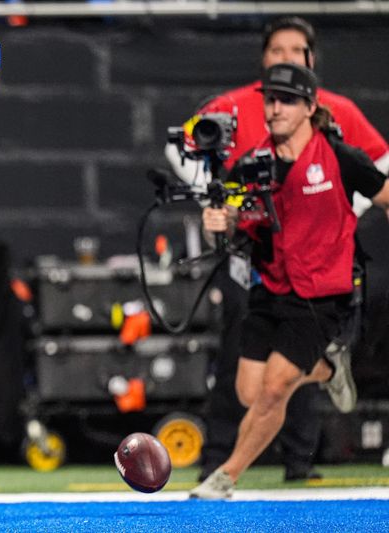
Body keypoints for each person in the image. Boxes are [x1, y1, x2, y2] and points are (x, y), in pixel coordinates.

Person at [166, 16, 389, 482]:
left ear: (309, 106)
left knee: (273, 388)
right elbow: (228, 215)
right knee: (250, 390)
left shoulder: (341, 155)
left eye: (286, 101)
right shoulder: (252, 165)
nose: (274, 109)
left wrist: (347, 220)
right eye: (270, 100)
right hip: (270, 286)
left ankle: (224, 477)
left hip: (321, 291)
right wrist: (219, 218)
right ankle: (328, 369)